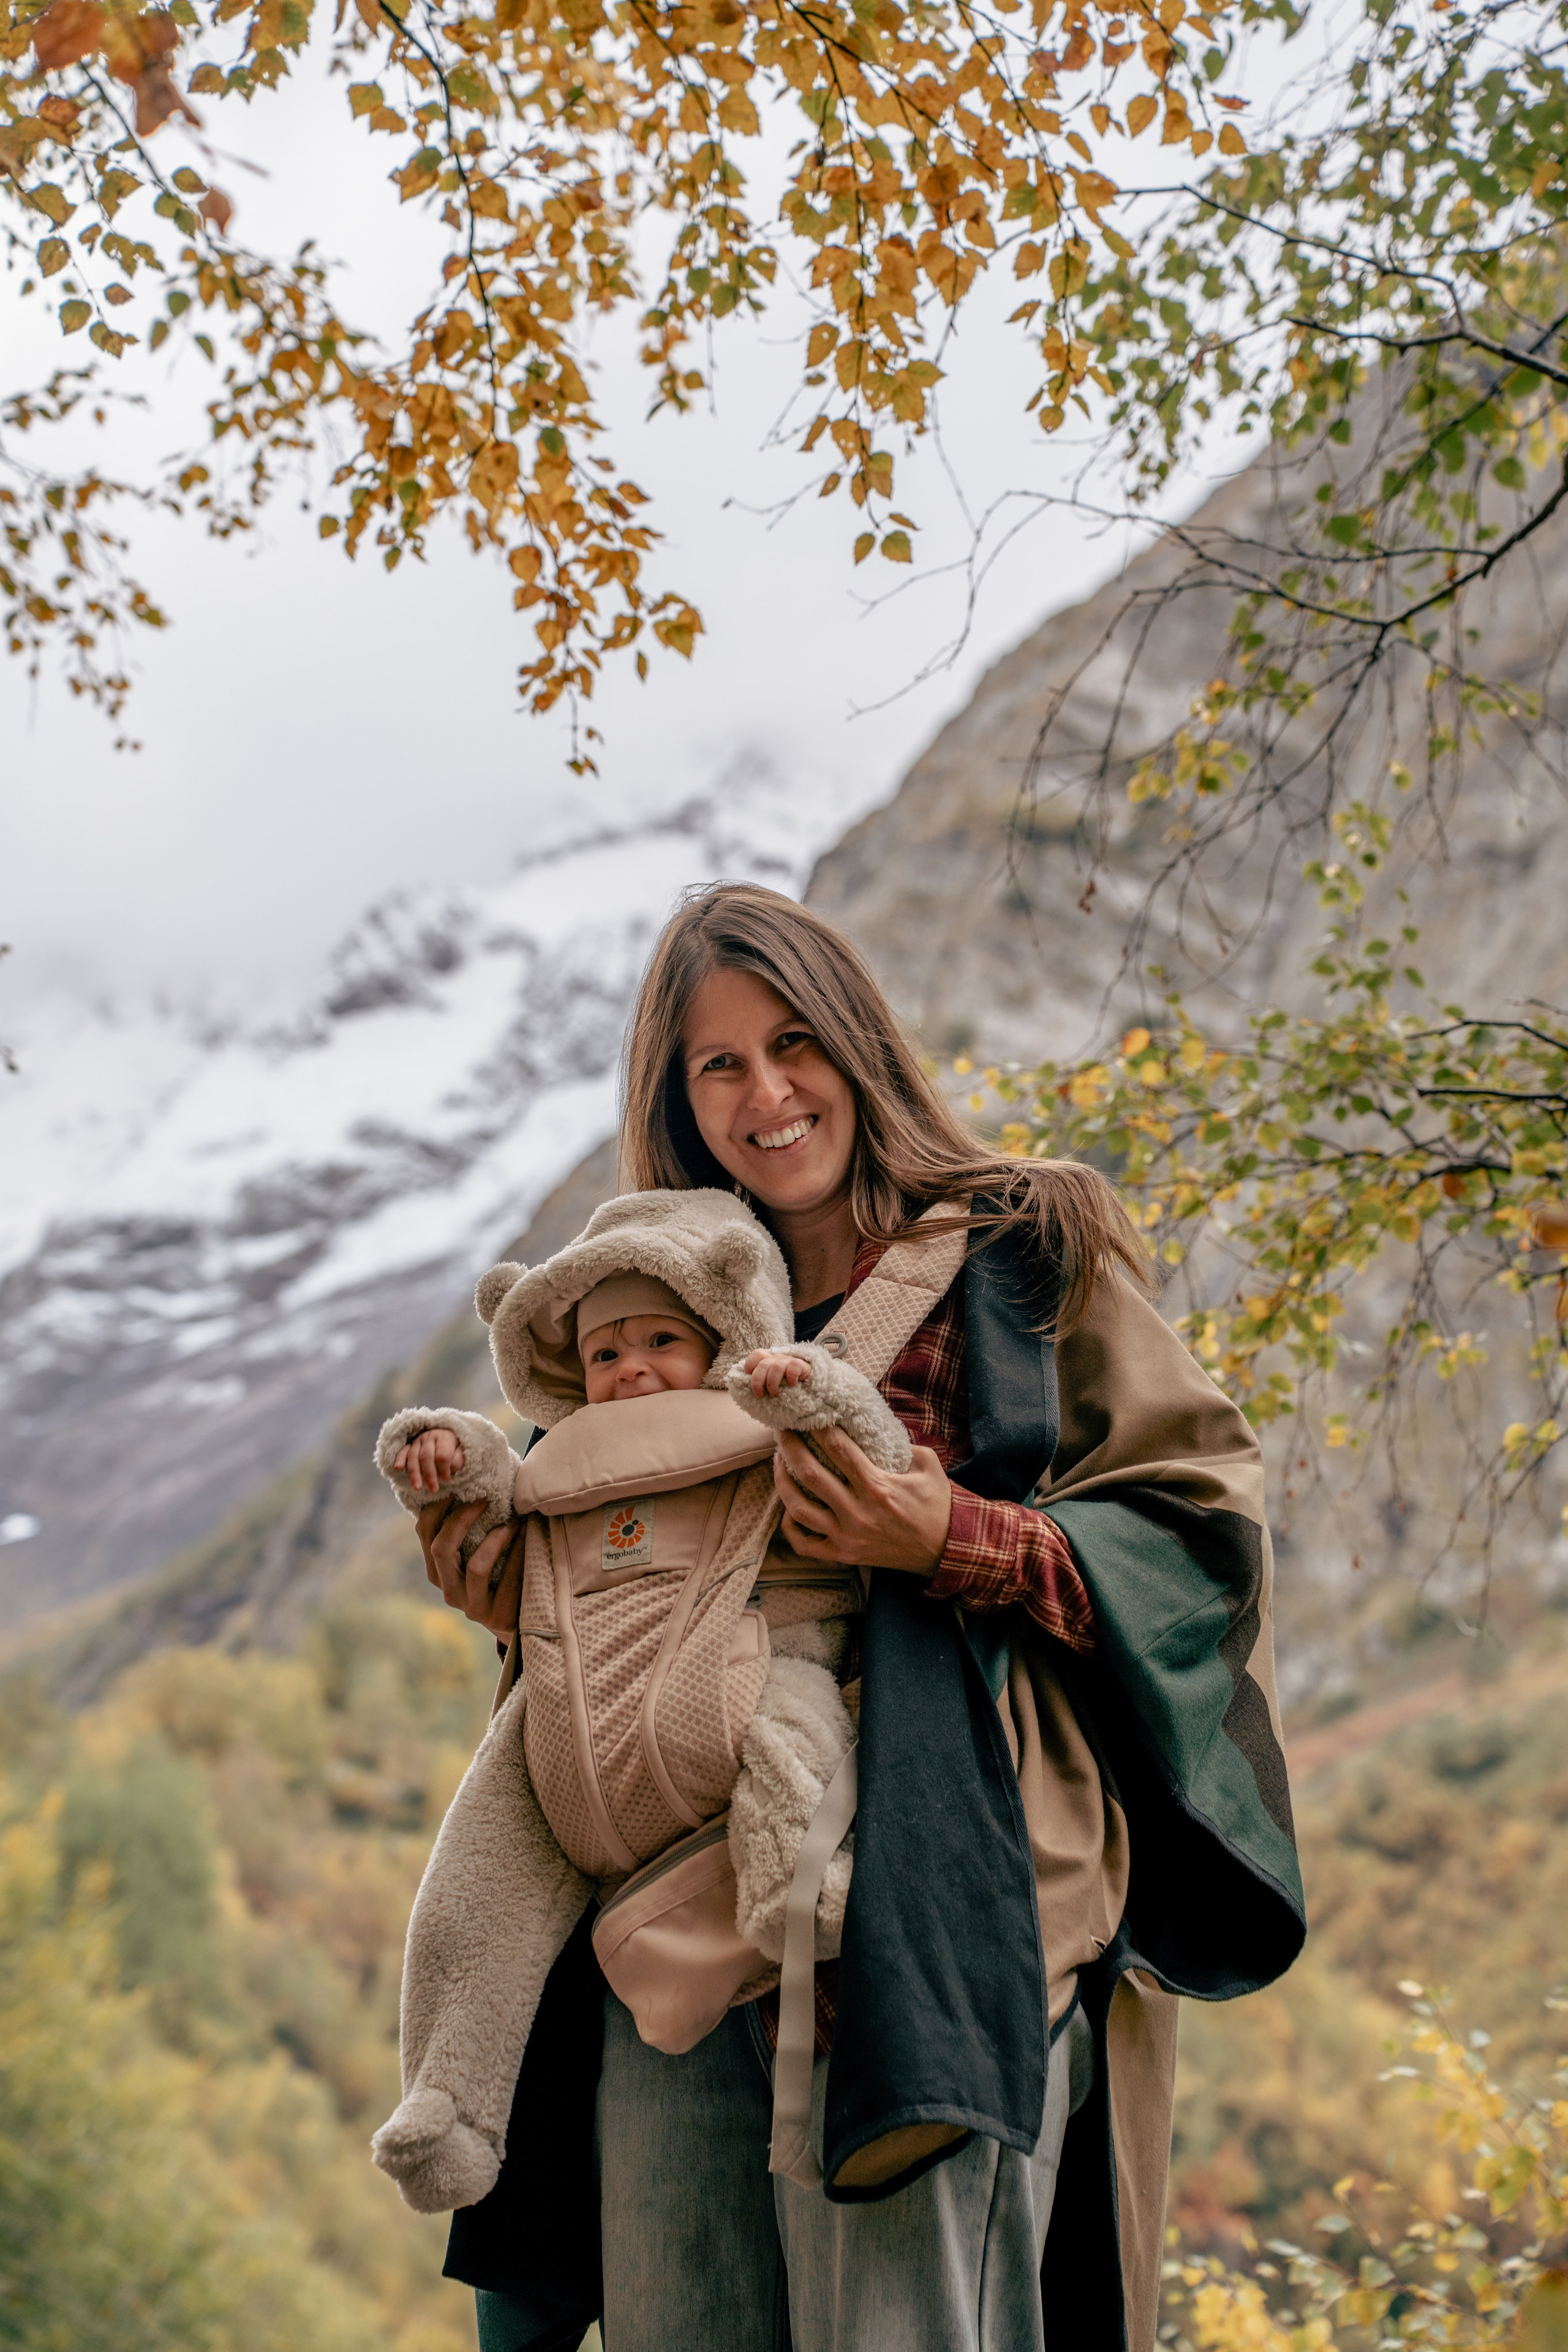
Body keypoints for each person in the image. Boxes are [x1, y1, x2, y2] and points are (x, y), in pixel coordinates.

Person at [411, 883, 1306, 2352]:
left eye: (792, 1043)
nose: (766, 1093)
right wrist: (510, 1598)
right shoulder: (648, 1327)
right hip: (669, 1928)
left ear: (855, 1042)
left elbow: (1197, 1536)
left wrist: (946, 1534)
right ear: (679, 1099)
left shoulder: (1027, 1248)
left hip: (945, 1904)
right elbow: (619, 1606)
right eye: (719, 1065)